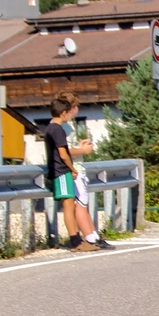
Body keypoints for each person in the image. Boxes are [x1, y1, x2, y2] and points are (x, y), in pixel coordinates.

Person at [42, 92, 110, 252]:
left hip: (60, 170)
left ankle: (81, 239)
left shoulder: (51, 128)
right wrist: (73, 167)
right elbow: (64, 153)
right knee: (71, 206)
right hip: (62, 171)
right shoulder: (58, 129)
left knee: (72, 205)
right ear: (65, 112)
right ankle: (77, 241)